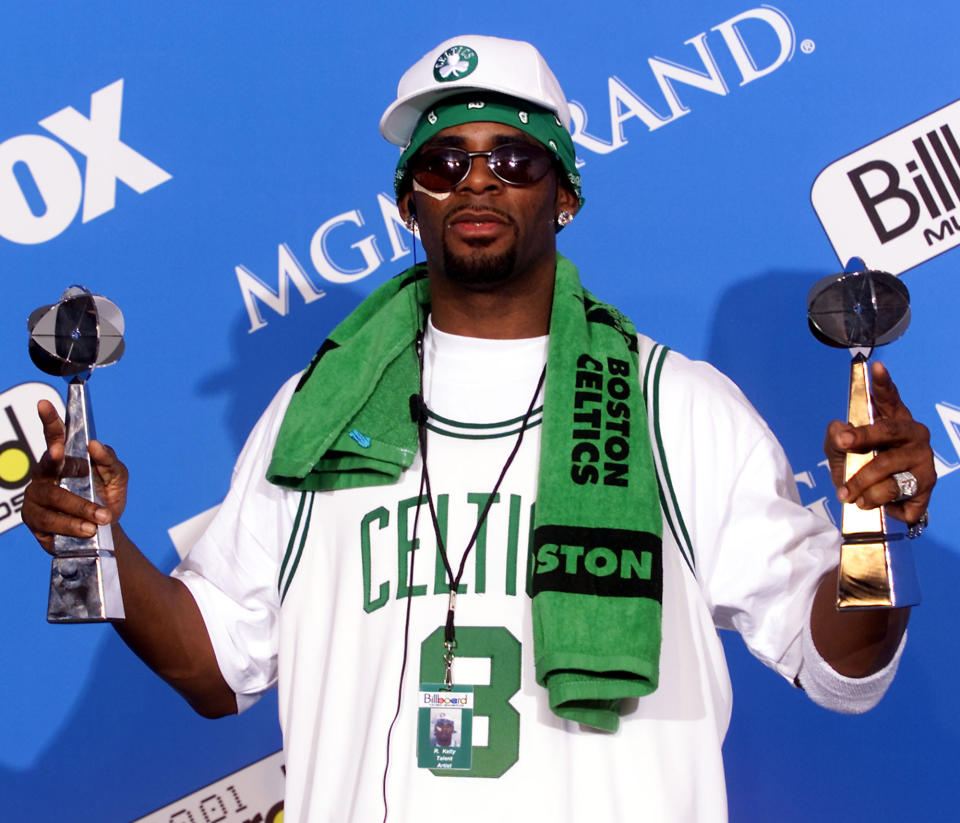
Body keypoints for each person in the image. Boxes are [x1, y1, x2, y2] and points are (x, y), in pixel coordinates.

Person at [22, 34, 935, 823]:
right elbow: (216, 669)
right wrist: (101, 543)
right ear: (408, 200)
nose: (478, 183)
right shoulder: (316, 411)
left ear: (565, 194)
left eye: (516, 159)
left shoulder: (675, 404)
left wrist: (872, 528)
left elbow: (838, 664)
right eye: (444, 162)